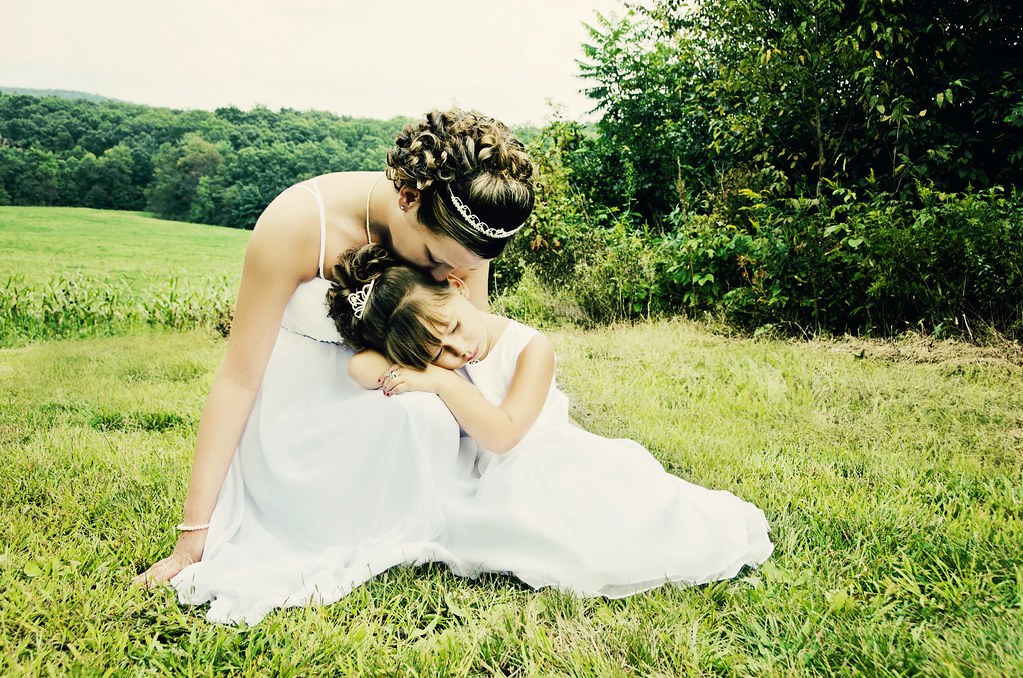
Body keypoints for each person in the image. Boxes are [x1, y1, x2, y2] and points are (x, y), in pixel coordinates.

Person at [133, 109, 535, 625]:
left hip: (402, 414)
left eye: (464, 267)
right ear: (408, 196)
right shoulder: (299, 224)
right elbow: (238, 378)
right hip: (301, 420)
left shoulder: (462, 237)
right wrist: (193, 537)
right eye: (436, 258)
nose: (446, 277)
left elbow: (473, 349)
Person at [328, 244, 774, 599]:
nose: (457, 350)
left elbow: (504, 435)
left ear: (460, 288)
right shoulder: (428, 347)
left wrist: (440, 381)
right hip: (479, 471)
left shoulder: (528, 347)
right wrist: (422, 365)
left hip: (545, 455)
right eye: (435, 352)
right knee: (467, 519)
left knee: (601, 530)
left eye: (455, 327)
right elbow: (359, 368)